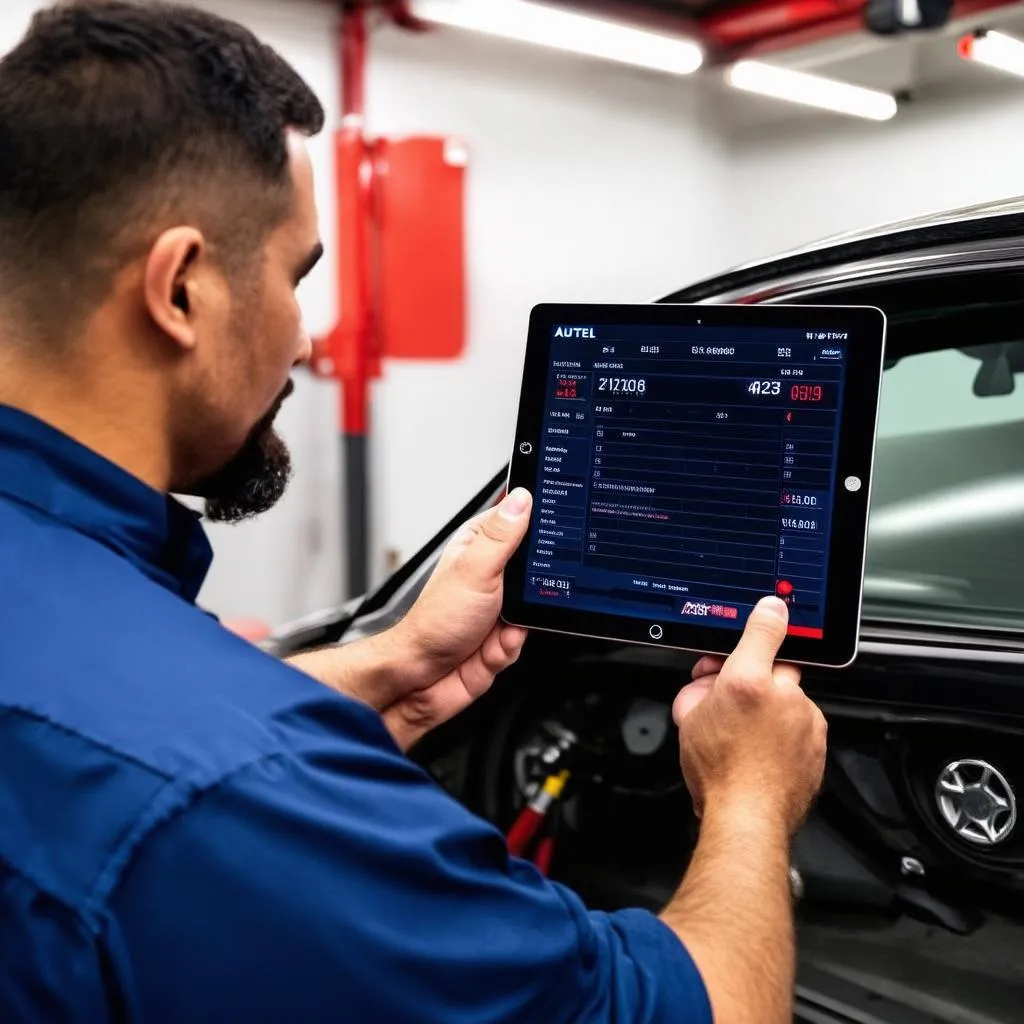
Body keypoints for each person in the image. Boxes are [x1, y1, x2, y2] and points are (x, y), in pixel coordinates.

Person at [0, 3, 828, 1022]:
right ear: (180, 290)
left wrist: (368, 671)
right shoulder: (244, 786)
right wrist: (750, 796)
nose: (307, 339)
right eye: (298, 276)